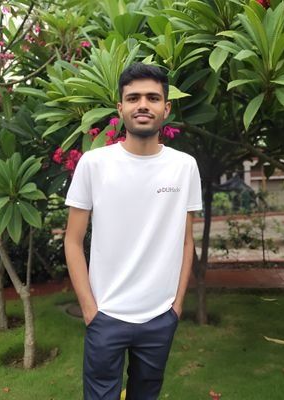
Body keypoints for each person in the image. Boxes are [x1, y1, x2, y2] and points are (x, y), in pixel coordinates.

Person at [64, 62, 202, 400]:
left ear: (166, 108)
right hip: (106, 315)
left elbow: (186, 241)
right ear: (120, 107)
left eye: (153, 98)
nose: (143, 105)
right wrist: (89, 310)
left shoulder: (184, 167)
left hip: (160, 317)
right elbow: (72, 240)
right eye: (133, 97)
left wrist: (176, 306)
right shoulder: (94, 164)